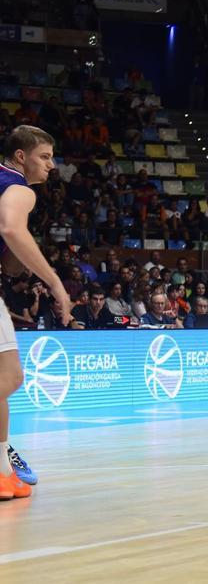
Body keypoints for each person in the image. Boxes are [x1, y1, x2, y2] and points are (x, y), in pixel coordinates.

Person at [0, 126, 73, 495]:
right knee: (9, 378)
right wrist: (56, 283)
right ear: (20, 157)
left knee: (4, 378)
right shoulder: (18, 188)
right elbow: (12, 228)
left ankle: (1, 467)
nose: (51, 165)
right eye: (44, 156)